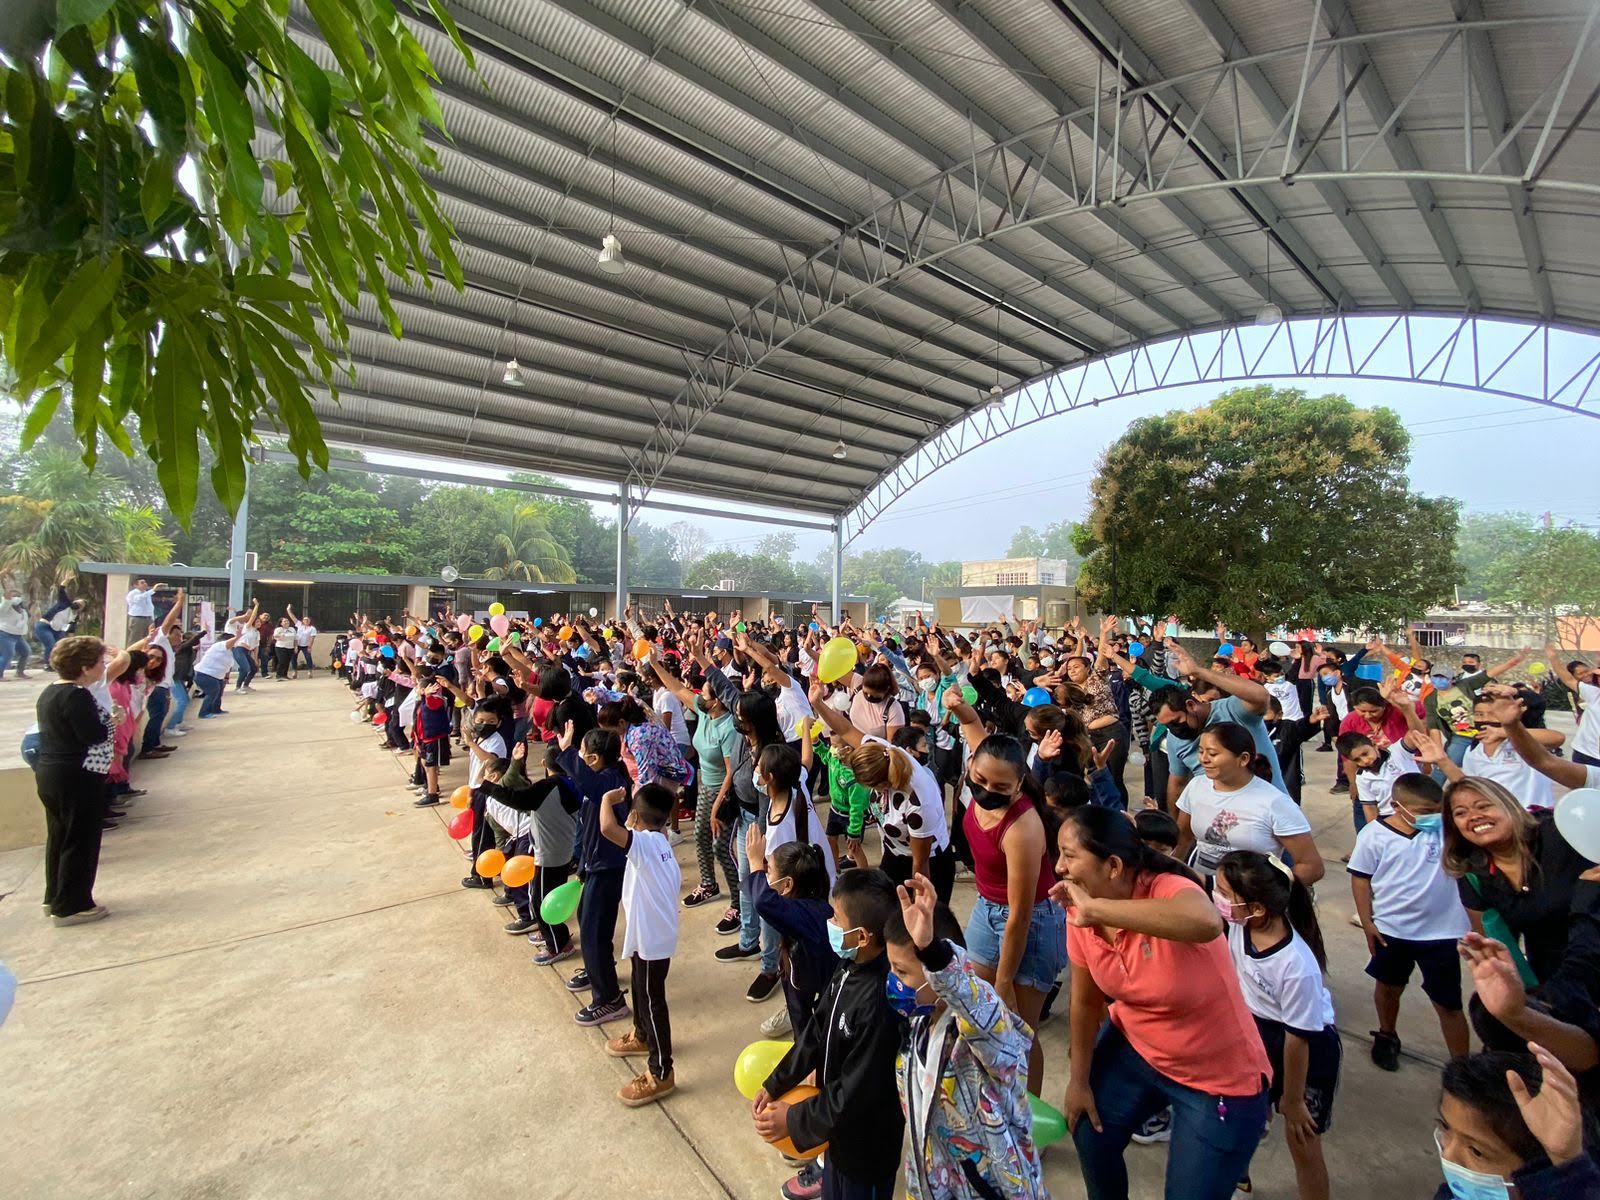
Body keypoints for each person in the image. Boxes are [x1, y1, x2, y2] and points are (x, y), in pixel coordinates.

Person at [1057, 804, 1271, 1200]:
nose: (1059, 868)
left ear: (1114, 867)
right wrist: (1078, 1081)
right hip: (1137, 1049)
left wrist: (1095, 909)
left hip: (1217, 1081)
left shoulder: (1166, 887)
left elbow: (1206, 923)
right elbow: (1085, 1004)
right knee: (1089, 1129)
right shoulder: (1080, 917)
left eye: (1069, 856)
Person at [885, 874, 1048, 1200]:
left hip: (993, 1189)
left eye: (902, 971)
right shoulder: (916, 1028)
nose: (893, 980)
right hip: (937, 1184)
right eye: (891, 968)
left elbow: (975, 1001)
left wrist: (933, 954)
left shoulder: (984, 1034)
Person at [940, 687, 1063, 1095]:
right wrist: (957, 705)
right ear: (971, 763)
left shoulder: (1023, 829)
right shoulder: (987, 757)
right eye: (979, 780)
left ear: (1019, 785)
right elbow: (973, 724)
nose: (987, 790)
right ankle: (986, 1096)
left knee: (1020, 1027)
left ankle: (1029, 1120)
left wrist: (1006, 982)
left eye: (1000, 787)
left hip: (1031, 921)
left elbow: (1020, 917)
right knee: (975, 1005)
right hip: (988, 909)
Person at [755, 867, 905, 1200]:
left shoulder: (881, 1003)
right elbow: (816, 1031)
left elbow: (856, 1091)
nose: (831, 924)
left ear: (862, 936)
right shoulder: (850, 965)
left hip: (867, 1149)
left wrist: (794, 1120)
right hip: (837, 1135)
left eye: (837, 919)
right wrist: (777, 1081)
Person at [1216, 851, 1339, 1200]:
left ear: (1257, 909)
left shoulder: (1296, 965)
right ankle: (1241, 1176)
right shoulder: (1241, 925)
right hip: (1256, 1035)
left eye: (1225, 893)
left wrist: (1295, 1098)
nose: (1218, 898)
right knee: (1242, 1120)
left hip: (1306, 1051)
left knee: (1302, 1140)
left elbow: (1298, 1040)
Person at [1346, 772, 1471, 1069]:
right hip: (1393, 929)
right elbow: (1360, 880)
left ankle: (1463, 1068)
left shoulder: (1447, 833)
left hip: (1441, 933)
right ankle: (1387, 1034)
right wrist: (1368, 922)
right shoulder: (1374, 836)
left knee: (1449, 1004)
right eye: (1425, 813)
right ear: (1397, 806)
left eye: (1437, 811)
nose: (1433, 818)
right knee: (1389, 987)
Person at [596, 781, 680, 1106]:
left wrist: (606, 797)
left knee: (652, 1001)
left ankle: (661, 1072)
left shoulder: (644, 844)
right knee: (641, 990)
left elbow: (606, 827)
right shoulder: (660, 841)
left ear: (634, 816)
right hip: (647, 935)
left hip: (653, 940)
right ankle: (642, 1034)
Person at [1433, 1047, 1599, 1199]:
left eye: (1476, 1151)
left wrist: (1567, 1163)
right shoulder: (1452, 1193)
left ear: (1538, 1174)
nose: (1447, 1154)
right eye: (1446, 1127)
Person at [1174, 722, 1322, 887]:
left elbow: (1312, 866)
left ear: (1243, 759)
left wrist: (1266, 892)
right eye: (1200, 752)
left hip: (1248, 901)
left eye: (1212, 753)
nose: (1203, 759)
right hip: (1201, 891)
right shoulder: (1196, 786)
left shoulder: (1275, 803)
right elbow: (1183, 838)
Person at [34, 635, 118, 925]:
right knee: (80, 839)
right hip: (77, 775)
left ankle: (55, 896)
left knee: (59, 836)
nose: (102, 666)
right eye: (98, 662)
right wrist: (110, 722)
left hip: (53, 773)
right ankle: (72, 904)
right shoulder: (76, 696)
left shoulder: (50, 692)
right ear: (84, 667)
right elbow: (91, 735)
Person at [1150, 638, 1286, 812]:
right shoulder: (1175, 740)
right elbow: (1177, 786)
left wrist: (1198, 672)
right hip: (1221, 823)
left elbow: (1260, 696)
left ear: (1191, 705)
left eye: (1176, 721)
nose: (1174, 729)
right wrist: (1173, 830)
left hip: (1268, 813)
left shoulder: (1232, 710)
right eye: (1167, 725)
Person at [557, 720, 633, 1028]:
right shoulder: (601, 779)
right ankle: (597, 968)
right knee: (590, 925)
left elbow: (587, 784)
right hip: (594, 865)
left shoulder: (612, 784)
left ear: (595, 759)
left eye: (584, 753)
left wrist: (567, 751)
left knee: (593, 931)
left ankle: (610, 999)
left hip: (607, 869)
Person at [746, 827, 837, 1056]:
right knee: (801, 1019)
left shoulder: (808, 915)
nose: (765, 878)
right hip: (803, 981)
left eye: (769, 872)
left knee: (813, 1031)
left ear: (787, 885)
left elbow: (762, 901)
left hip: (819, 994)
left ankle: (808, 1058)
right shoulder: (804, 905)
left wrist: (756, 863)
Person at [193, 602, 254, 718]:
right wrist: (238, 637)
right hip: (204, 674)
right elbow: (230, 642)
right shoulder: (220, 645)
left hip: (216, 676)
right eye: (234, 641)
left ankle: (216, 709)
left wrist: (226, 678)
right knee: (213, 692)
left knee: (219, 691)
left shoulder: (231, 652)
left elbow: (227, 666)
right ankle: (204, 713)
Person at [34, 586, 84, 660]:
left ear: (81, 609)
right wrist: (65, 581)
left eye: (80, 605)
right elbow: (61, 589)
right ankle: (48, 664)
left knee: (60, 647)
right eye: (76, 602)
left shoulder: (75, 617)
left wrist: (73, 643)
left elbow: (70, 630)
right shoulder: (65, 603)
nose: (77, 605)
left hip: (57, 630)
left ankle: (58, 663)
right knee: (51, 645)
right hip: (45, 626)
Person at [0, 585, 31, 679]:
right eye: (13, 595)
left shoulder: (22, 610)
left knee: (26, 652)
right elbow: (6, 601)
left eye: (18, 596)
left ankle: (20, 672)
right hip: (5, 634)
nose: (16, 598)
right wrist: (8, 593)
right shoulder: (5, 608)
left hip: (18, 636)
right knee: (8, 654)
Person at [271, 616, 297, 680]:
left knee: (287, 661)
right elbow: (274, 636)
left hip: (290, 647)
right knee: (282, 661)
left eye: (287, 621)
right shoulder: (278, 629)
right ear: (281, 623)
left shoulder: (292, 629)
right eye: (284, 621)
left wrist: (296, 647)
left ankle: (284, 675)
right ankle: (279, 675)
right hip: (281, 647)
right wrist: (280, 636)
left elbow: (295, 639)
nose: (286, 622)